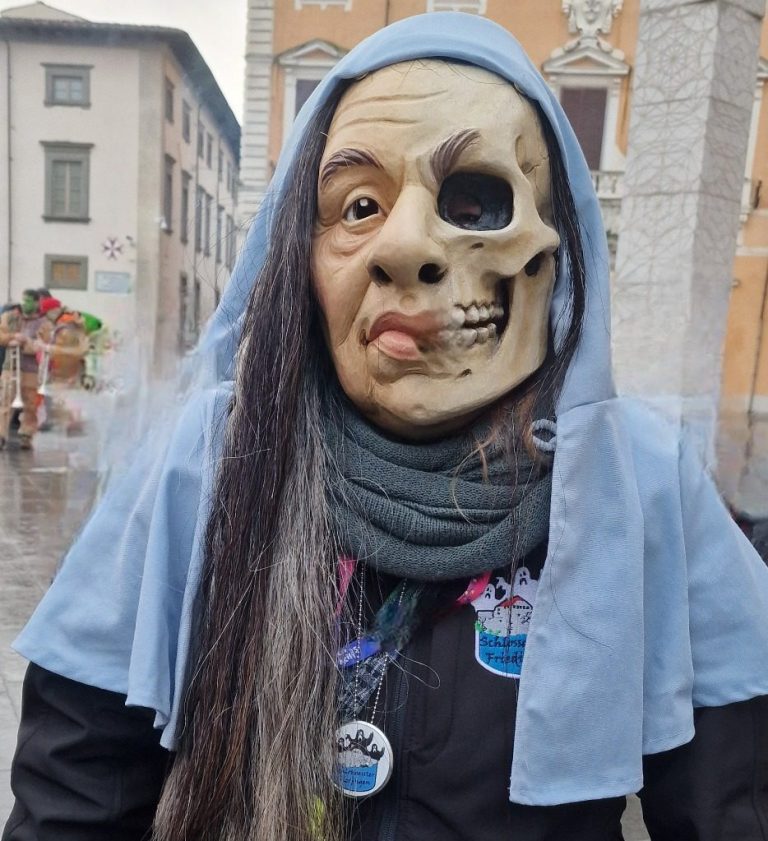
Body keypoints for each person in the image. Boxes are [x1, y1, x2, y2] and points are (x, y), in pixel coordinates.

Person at [5, 15, 768, 841]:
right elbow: (78, 790)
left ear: (556, 249)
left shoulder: (642, 485)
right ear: (301, 253)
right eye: (359, 206)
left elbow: (731, 805)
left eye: (474, 201)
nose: (403, 248)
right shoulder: (206, 464)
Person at [0, 290, 51, 450]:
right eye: (24, 299)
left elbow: (42, 345)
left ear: (36, 303)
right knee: (5, 401)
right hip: (11, 366)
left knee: (31, 404)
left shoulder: (44, 323)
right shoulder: (10, 317)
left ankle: (27, 434)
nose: (25, 303)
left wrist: (25, 342)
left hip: (31, 369)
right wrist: (11, 338)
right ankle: (1, 435)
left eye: (29, 300)